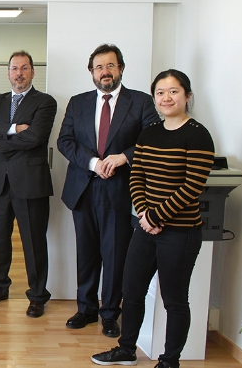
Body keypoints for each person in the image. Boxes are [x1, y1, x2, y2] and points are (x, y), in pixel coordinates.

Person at [92, 69, 214, 368]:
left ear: (187, 96)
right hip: (146, 227)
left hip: (180, 232)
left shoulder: (198, 135)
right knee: (131, 291)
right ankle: (126, 349)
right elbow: (138, 175)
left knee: (174, 300)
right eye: (160, 92)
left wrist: (157, 216)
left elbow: (191, 187)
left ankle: (170, 360)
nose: (166, 97)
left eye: (173, 91)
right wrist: (145, 213)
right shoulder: (149, 133)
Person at [57, 44, 159, 337]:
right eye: (99, 67)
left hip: (121, 189)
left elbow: (151, 140)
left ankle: (111, 313)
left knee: (115, 255)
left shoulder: (140, 102)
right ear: (91, 72)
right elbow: (65, 141)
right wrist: (92, 162)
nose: (105, 71)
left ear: (121, 69)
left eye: (111, 66)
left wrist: (123, 157)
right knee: (86, 252)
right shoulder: (78, 103)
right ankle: (86, 309)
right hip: (84, 188)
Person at [0, 50, 57, 318]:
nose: (18, 73)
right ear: (8, 72)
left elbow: (35, 137)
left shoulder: (45, 102)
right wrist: (12, 129)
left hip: (30, 181)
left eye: (24, 68)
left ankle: (37, 295)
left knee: (33, 241)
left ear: (33, 71)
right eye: (14, 68)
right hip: (0, 181)